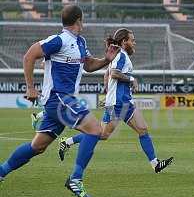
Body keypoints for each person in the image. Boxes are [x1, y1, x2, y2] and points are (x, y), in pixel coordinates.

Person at [0, 5, 120, 197]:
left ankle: (1, 171)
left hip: (63, 101)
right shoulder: (59, 40)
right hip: (59, 99)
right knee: (95, 130)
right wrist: (30, 87)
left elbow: (88, 65)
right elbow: (29, 55)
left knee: (37, 146)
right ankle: (75, 179)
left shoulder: (80, 42)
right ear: (79, 20)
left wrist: (106, 59)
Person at [58, 28, 174, 173]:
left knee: (142, 129)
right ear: (124, 41)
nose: (134, 43)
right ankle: (67, 142)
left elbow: (107, 74)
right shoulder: (121, 56)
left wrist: (107, 90)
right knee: (103, 134)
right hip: (118, 104)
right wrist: (131, 79)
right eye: (132, 40)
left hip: (124, 102)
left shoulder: (120, 56)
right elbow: (113, 73)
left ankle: (155, 164)